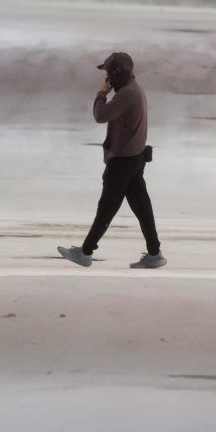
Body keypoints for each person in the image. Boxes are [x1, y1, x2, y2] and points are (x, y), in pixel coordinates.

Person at [59, 51, 164, 269]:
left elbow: (100, 115)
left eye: (108, 73)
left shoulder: (126, 94)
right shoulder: (133, 90)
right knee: (142, 207)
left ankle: (85, 252)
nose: (106, 78)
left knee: (106, 208)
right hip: (134, 158)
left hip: (124, 161)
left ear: (116, 74)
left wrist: (101, 93)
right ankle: (154, 253)